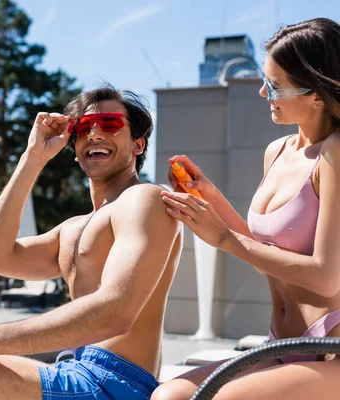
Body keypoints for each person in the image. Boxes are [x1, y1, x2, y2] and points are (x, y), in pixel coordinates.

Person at [0, 84, 183, 400]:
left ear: (137, 144)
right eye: (82, 128)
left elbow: (116, 312)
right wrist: (33, 157)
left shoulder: (144, 199)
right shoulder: (72, 229)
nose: (93, 134)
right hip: (74, 370)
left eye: (109, 124)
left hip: (114, 384)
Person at [152, 17, 340, 400]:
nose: (262, 92)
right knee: (166, 395)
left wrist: (222, 237)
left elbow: (326, 278)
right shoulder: (277, 152)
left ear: (317, 93)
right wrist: (210, 197)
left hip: (330, 352)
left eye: (274, 85)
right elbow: (262, 254)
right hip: (281, 344)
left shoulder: (335, 153)